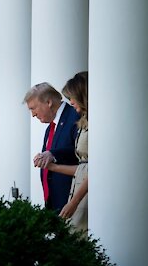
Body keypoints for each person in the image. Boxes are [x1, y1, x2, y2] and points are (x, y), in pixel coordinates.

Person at [23, 82, 80, 213]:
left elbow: (81, 152)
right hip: (54, 204)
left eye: (33, 108)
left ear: (48, 102)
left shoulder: (74, 117)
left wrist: (52, 154)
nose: (33, 114)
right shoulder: (50, 127)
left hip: (72, 203)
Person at [44, 71, 88, 233]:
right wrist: (52, 167)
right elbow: (83, 168)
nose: (70, 103)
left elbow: (94, 169)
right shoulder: (83, 121)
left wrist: (74, 202)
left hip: (84, 193)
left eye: (72, 98)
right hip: (76, 191)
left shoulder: (83, 121)